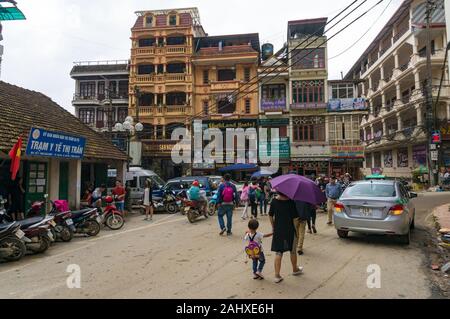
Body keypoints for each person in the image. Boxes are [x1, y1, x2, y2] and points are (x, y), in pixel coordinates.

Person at [269, 191, 304, 283]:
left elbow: (270, 215)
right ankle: (295, 269)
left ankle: (277, 275)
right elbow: (295, 217)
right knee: (293, 251)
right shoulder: (291, 202)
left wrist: (273, 227)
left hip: (278, 230)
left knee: (279, 252)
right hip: (289, 230)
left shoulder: (274, 201)